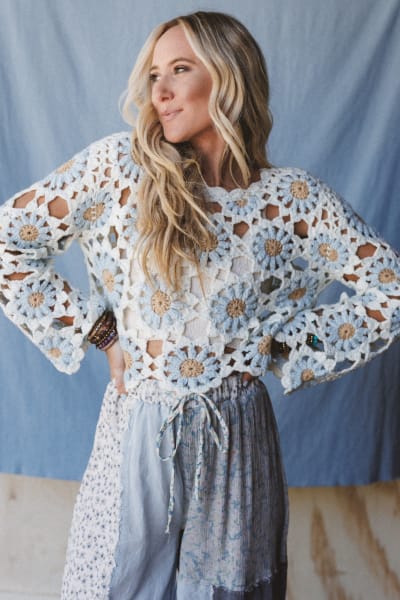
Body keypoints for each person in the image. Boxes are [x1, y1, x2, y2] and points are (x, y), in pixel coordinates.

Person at [0, 9, 399, 600]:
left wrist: (286, 344)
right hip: (138, 431)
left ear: (229, 77)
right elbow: (10, 241)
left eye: (180, 69)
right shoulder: (119, 170)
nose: (158, 91)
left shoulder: (291, 199)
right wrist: (101, 333)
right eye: (153, 74)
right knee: (114, 585)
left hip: (238, 439)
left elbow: (388, 290)